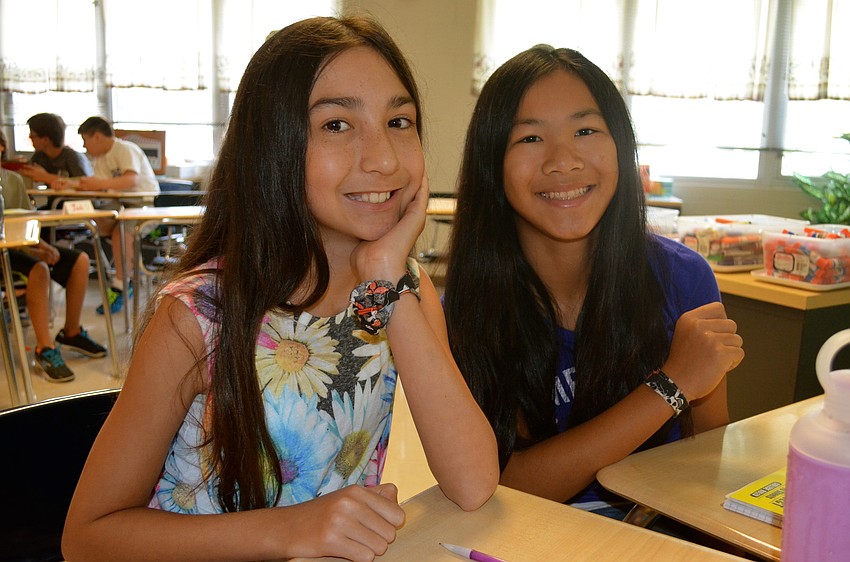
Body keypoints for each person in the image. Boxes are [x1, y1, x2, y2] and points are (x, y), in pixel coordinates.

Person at [62, 16, 499, 562]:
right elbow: (86, 537)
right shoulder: (200, 315)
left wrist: (386, 276)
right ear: (272, 145)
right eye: (337, 125)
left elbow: (473, 482)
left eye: (400, 120)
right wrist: (290, 529)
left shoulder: (390, 293)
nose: (384, 158)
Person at [443, 45, 744, 519]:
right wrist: (672, 384)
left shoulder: (682, 279)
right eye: (529, 139)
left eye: (586, 130)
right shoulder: (464, 310)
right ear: (491, 163)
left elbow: (705, 463)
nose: (564, 161)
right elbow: (505, 485)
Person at [0, 129, 106, 383]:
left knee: (78, 260)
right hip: (7, 251)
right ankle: (44, 347)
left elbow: (25, 223)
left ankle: (71, 331)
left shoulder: (12, 180)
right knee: (39, 269)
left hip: (17, 247)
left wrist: (40, 246)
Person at [57, 116, 159, 315]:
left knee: (121, 232)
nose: (85, 147)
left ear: (96, 136)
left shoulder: (125, 149)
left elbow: (131, 179)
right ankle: (115, 274)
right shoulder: (100, 159)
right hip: (118, 206)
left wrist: (95, 184)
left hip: (142, 206)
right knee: (92, 225)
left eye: (86, 141)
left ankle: (121, 285)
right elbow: (94, 184)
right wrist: (68, 184)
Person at [18, 112, 93, 188]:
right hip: (54, 199)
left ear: (45, 140)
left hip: (75, 200)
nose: (30, 139)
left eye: (32, 137)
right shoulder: (39, 157)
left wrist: (46, 177)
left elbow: (86, 184)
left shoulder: (73, 158)